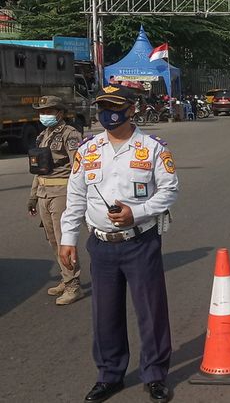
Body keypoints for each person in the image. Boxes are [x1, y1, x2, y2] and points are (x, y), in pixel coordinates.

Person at [59, 84, 178, 403]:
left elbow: (168, 191)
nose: (107, 113)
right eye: (102, 107)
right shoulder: (88, 148)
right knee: (105, 314)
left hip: (140, 241)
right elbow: (76, 196)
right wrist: (67, 238)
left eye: (114, 106)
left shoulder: (152, 148)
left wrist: (136, 213)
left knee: (150, 311)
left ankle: (154, 374)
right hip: (101, 244)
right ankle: (109, 374)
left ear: (131, 109)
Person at [27, 95, 83, 305]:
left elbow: (78, 168)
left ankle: (73, 285)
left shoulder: (70, 134)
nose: (44, 115)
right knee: (52, 239)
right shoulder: (43, 135)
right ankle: (65, 276)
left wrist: (78, 197)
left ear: (59, 113)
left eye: (49, 111)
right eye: (42, 111)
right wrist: (32, 198)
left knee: (63, 239)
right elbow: (38, 170)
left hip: (62, 191)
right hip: (43, 191)